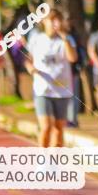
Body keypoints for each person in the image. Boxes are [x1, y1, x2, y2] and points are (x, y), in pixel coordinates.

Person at [26, 8, 77, 147]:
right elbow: (28, 59)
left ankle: (54, 164)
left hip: (62, 90)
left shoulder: (67, 39)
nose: (55, 23)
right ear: (44, 21)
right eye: (51, 20)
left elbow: (73, 58)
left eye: (58, 20)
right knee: (46, 127)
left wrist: (64, 37)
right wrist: (31, 69)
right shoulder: (36, 38)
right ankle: (43, 162)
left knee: (59, 129)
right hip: (42, 89)